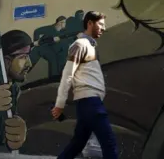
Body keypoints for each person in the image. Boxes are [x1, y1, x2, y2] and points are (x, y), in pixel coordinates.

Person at [51, 11, 118, 159]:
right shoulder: (80, 45)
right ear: (89, 23)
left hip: (88, 103)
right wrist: (60, 104)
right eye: (100, 24)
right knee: (109, 144)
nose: (103, 28)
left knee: (77, 144)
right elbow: (67, 74)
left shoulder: (89, 46)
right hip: (91, 103)